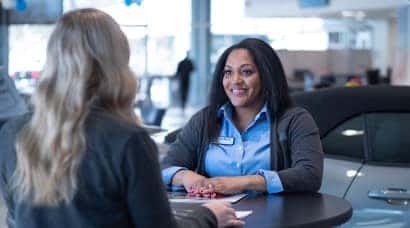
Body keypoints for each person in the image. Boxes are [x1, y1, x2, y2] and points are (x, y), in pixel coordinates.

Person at [0, 8, 243, 228]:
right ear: (117, 62)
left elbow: (15, 219)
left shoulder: (12, 132)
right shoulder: (127, 140)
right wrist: (208, 217)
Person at [161, 38, 323, 195]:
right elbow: (165, 167)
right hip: (217, 216)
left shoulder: (295, 120)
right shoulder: (205, 119)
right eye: (228, 72)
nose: (235, 80)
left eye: (246, 72)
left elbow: (309, 175)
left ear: (266, 76)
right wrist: (186, 177)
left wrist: (244, 182)